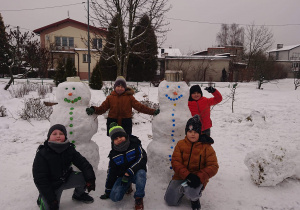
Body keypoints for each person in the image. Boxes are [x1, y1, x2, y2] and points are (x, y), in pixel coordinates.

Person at [32, 124, 96, 210]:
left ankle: (78, 195)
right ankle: (42, 198)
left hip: (66, 178)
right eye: (54, 134)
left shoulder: (69, 149)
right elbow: (40, 179)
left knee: (85, 177)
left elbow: (83, 163)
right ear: (49, 137)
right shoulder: (42, 154)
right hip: (52, 186)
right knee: (52, 207)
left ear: (65, 136)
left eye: (61, 134)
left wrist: (90, 179)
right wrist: (51, 199)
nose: (58, 136)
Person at [164, 115, 219, 210]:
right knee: (170, 201)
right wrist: (187, 175)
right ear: (186, 132)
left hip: (198, 178)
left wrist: (199, 177)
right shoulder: (180, 144)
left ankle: (194, 199)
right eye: (190, 131)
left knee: (192, 193)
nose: (192, 134)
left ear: (200, 133)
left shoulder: (207, 147)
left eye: (195, 132)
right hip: (182, 175)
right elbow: (175, 161)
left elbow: (213, 166)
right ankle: (180, 189)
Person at [86, 76, 160, 136]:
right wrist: (94, 109)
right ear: (115, 87)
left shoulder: (129, 97)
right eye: (118, 86)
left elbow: (140, 107)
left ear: (125, 88)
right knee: (115, 143)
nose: (120, 88)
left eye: (122, 87)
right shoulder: (110, 97)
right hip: (113, 123)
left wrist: (153, 111)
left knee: (126, 142)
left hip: (125, 123)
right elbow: (102, 108)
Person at [99, 122, 147, 210]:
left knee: (141, 173)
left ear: (125, 135)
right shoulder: (113, 154)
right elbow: (111, 172)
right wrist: (108, 190)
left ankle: (139, 198)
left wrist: (130, 171)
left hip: (136, 173)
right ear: (113, 141)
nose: (119, 139)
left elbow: (142, 159)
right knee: (114, 197)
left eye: (121, 136)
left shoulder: (135, 144)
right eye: (116, 138)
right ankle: (127, 186)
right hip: (123, 177)